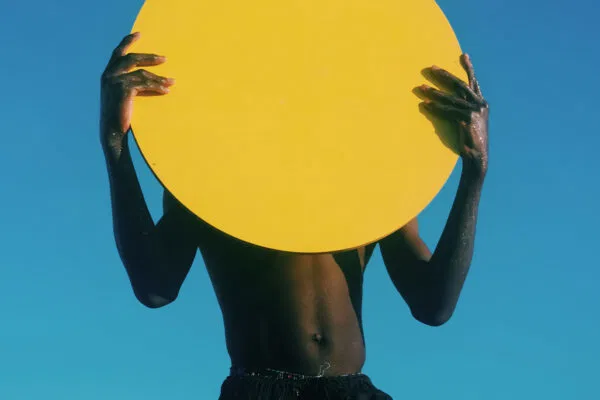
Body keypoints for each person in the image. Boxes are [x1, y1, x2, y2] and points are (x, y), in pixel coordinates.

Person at [100, 32, 489, 400]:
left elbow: (433, 304)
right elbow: (155, 287)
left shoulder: (368, 178)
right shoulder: (212, 173)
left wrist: (475, 170)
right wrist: (115, 142)